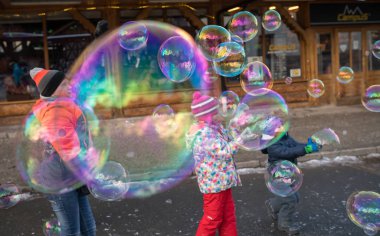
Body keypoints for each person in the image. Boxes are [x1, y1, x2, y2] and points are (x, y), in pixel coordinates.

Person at [29, 67, 96, 236]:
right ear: (53, 90)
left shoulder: (64, 106)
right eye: (64, 84)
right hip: (60, 179)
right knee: (72, 231)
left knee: (88, 229)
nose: (69, 86)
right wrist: (89, 170)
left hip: (71, 175)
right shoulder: (55, 113)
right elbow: (67, 151)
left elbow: (79, 135)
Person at [186, 91, 241, 236]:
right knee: (213, 219)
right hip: (213, 185)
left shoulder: (215, 127)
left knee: (228, 217)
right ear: (208, 115)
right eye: (217, 111)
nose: (220, 113)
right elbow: (226, 150)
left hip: (224, 180)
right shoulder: (204, 135)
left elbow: (228, 139)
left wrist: (236, 131)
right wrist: (241, 140)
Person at [263, 133, 320, 235]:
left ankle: (272, 205)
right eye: (278, 126)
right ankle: (285, 224)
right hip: (278, 174)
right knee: (290, 200)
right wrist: (306, 149)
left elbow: (295, 146)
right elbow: (288, 152)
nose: (282, 128)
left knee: (295, 197)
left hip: (288, 173)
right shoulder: (271, 144)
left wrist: (306, 145)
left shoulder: (285, 137)